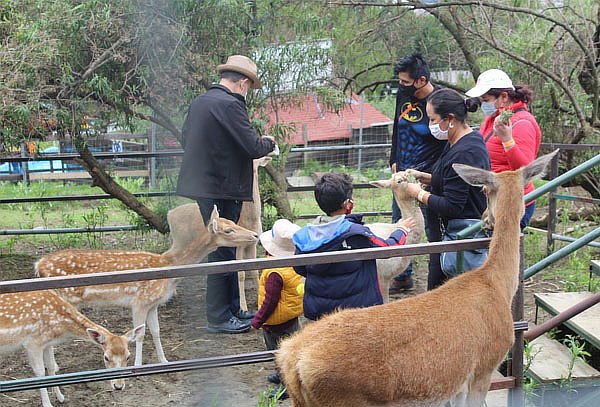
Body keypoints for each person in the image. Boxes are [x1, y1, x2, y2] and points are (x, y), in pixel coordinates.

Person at [176, 55, 276, 334]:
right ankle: (219, 316)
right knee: (222, 250)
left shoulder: (200, 102)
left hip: (204, 186)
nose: (247, 91)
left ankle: (233, 309)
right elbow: (252, 146)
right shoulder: (231, 104)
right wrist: (268, 142)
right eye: (249, 86)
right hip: (223, 187)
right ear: (243, 82)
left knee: (225, 247)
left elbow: (187, 138)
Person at [292, 172, 416, 321]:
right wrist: (401, 230)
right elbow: (387, 248)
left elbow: (298, 267)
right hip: (355, 309)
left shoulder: (305, 236)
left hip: (320, 310)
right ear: (347, 204)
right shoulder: (356, 234)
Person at [401, 89, 491, 290]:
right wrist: (429, 179)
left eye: (433, 120)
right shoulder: (456, 142)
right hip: (445, 236)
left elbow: (453, 206)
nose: (430, 125)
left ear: (450, 119)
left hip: (460, 237)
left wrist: (418, 193)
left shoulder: (467, 151)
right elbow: (455, 183)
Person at [388, 52, 446, 293]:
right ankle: (402, 276)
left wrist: (438, 173)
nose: (400, 86)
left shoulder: (442, 100)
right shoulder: (404, 95)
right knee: (400, 223)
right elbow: (397, 126)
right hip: (402, 174)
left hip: (429, 175)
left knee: (434, 227)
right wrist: (394, 158)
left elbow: (450, 137)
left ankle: (441, 279)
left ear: (421, 80)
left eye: (404, 81)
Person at [466, 69, 542, 229]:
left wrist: (507, 140)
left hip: (511, 200)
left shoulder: (522, 124)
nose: (483, 104)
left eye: (485, 99)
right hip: (493, 196)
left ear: (504, 96)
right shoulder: (493, 119)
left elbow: (525, 170)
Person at [251, 219, 304, 399]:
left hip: (275, 321)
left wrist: (258, 320)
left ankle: (286, 385)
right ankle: (284, 376)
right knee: (291, 350)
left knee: (278, 353)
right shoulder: (293, 263)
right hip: (291, 316)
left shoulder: (274, 272)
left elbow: (270, 301)